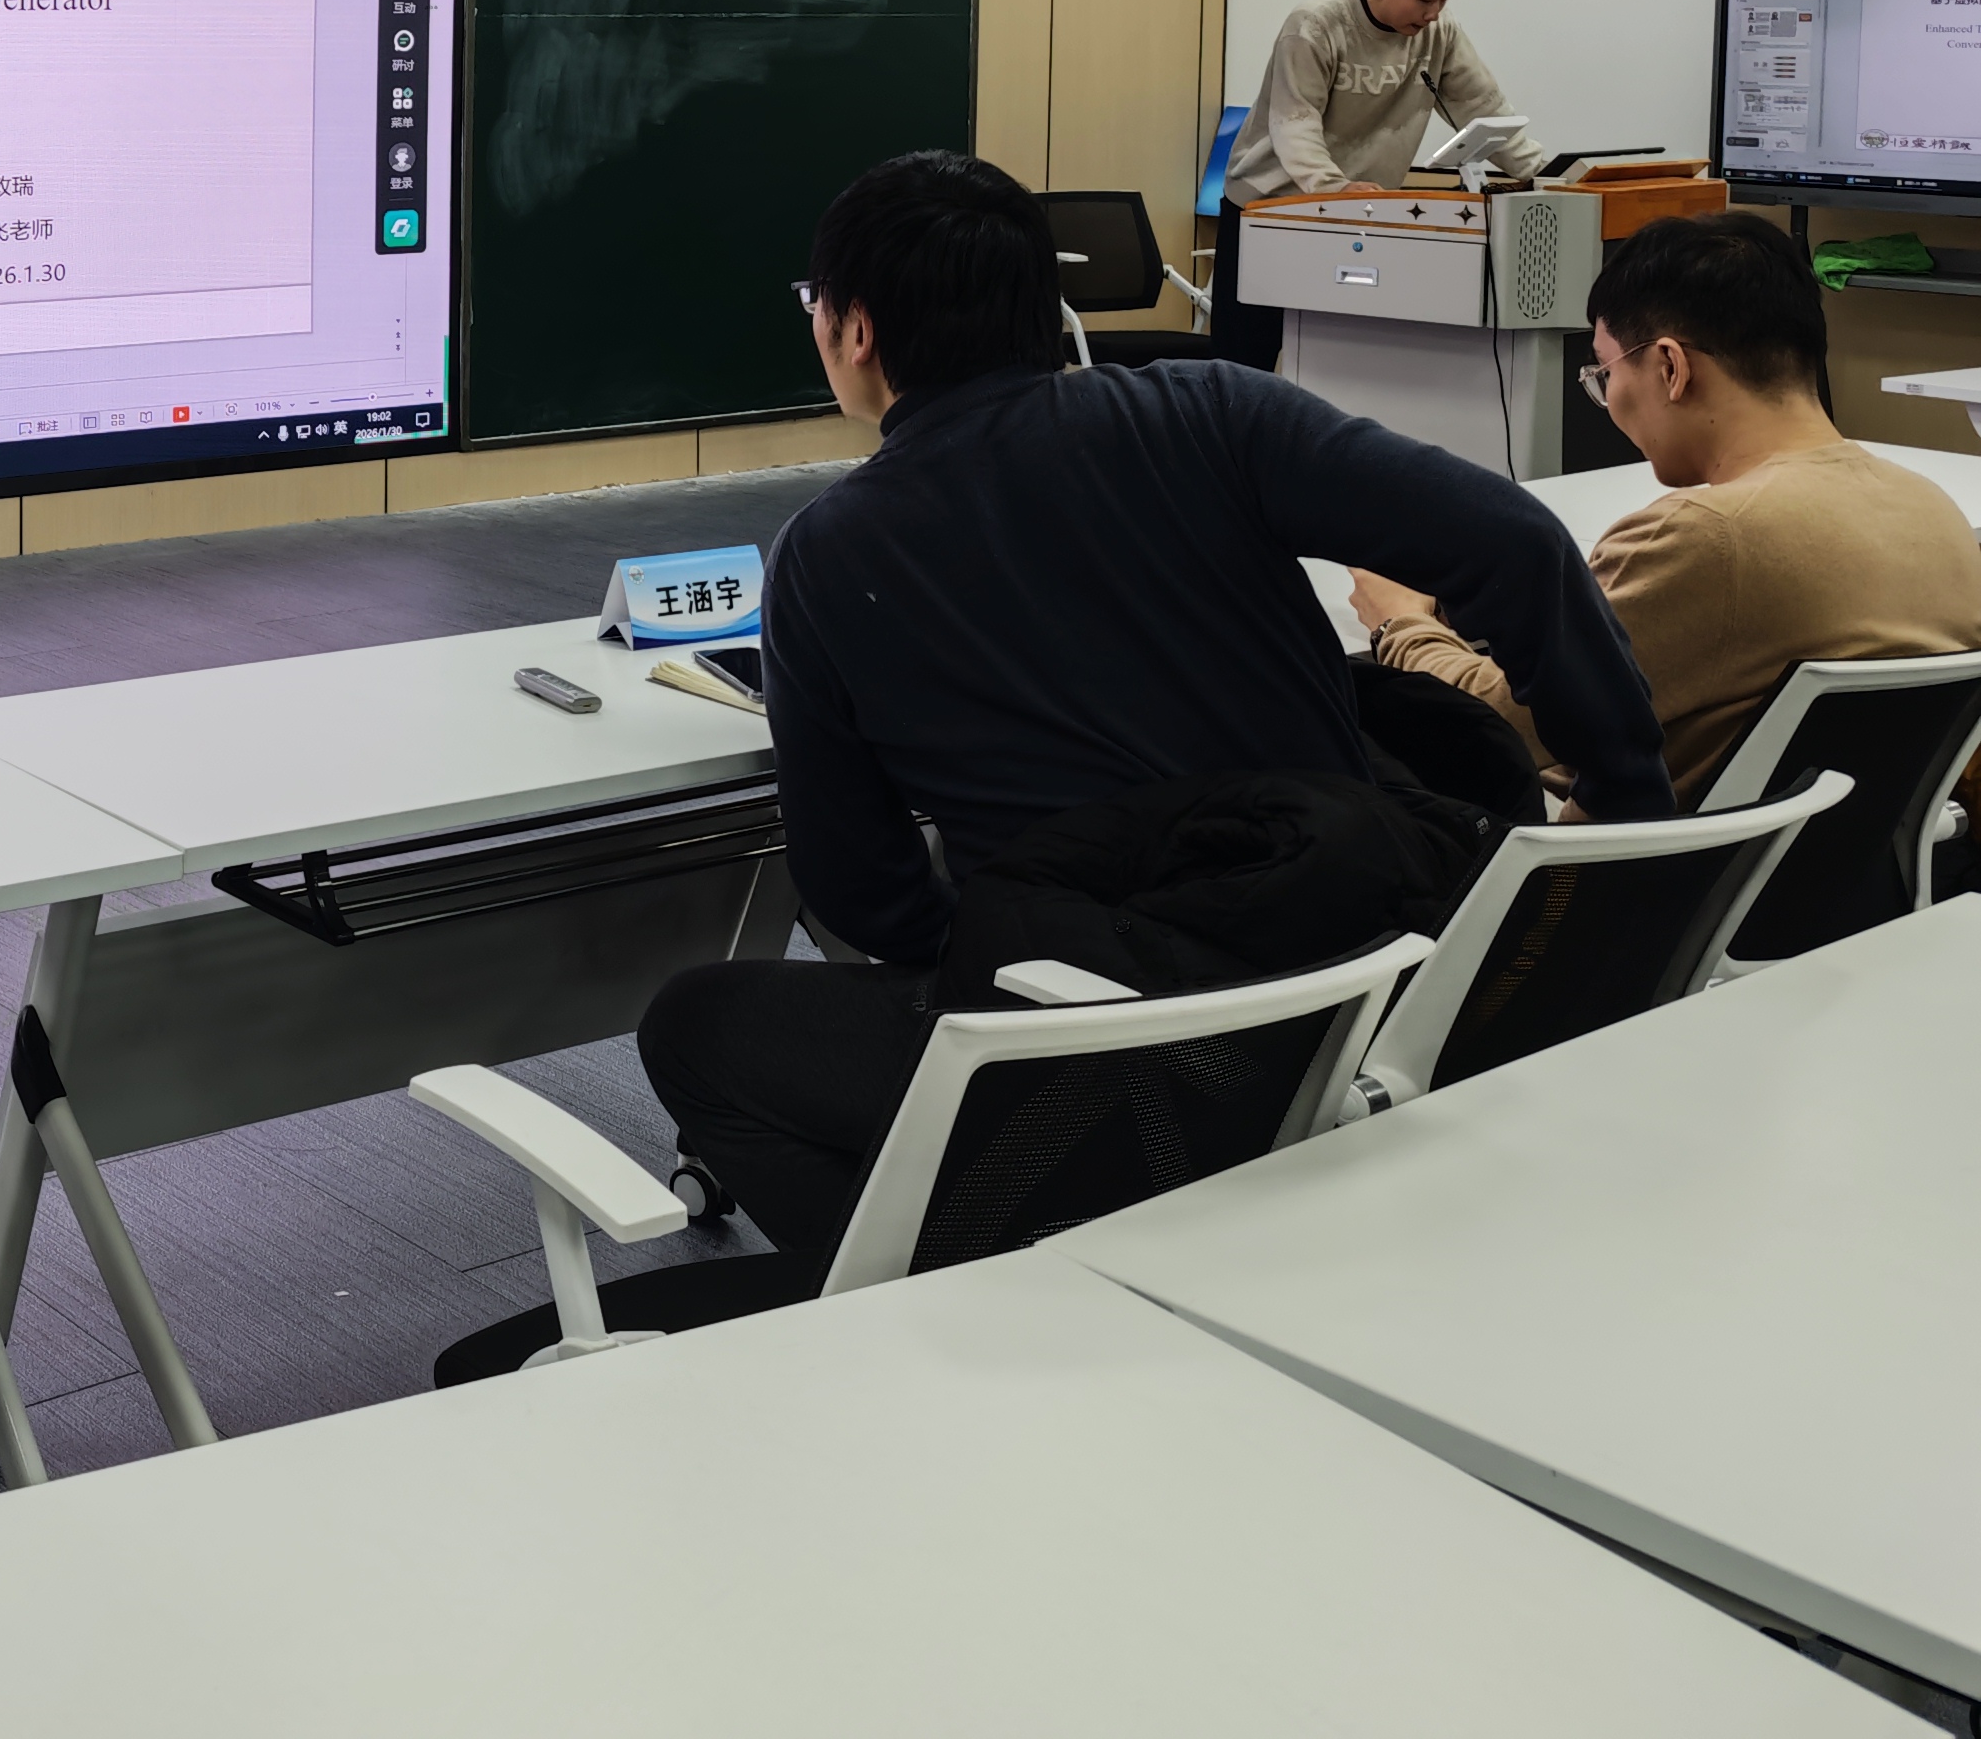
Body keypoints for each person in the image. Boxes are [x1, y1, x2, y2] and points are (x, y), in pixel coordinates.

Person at [638, 153, 1665, 1294]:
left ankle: (963, 1290)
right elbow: (1515, 544)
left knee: (696, 1027)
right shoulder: (1213, 410)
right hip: (1370, 979)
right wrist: (1628, 806)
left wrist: (1004, 933)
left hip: (1108, 1038)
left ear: (857, 331)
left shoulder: (828, 557)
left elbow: (858, 893)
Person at [1353, 210, 1981, 802]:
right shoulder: (1934, 511)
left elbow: (1496, 727)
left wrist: (1398, 623)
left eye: (1605, 372)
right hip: (1827, 871)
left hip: (1615, 871)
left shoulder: (1705, 539)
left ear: (1670, 367)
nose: (1609, 399)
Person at [1217, 0, 1544, 369]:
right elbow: (1294, 123)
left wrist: (1545, 174)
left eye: (1443, 1)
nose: (1433, 14)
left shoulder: (1439, 34)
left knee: (1336, 358)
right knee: (1245, 360)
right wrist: (1334, 189)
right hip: (1269, 208)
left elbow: (1482, 107)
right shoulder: (1315, 25)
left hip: (1357, 213)